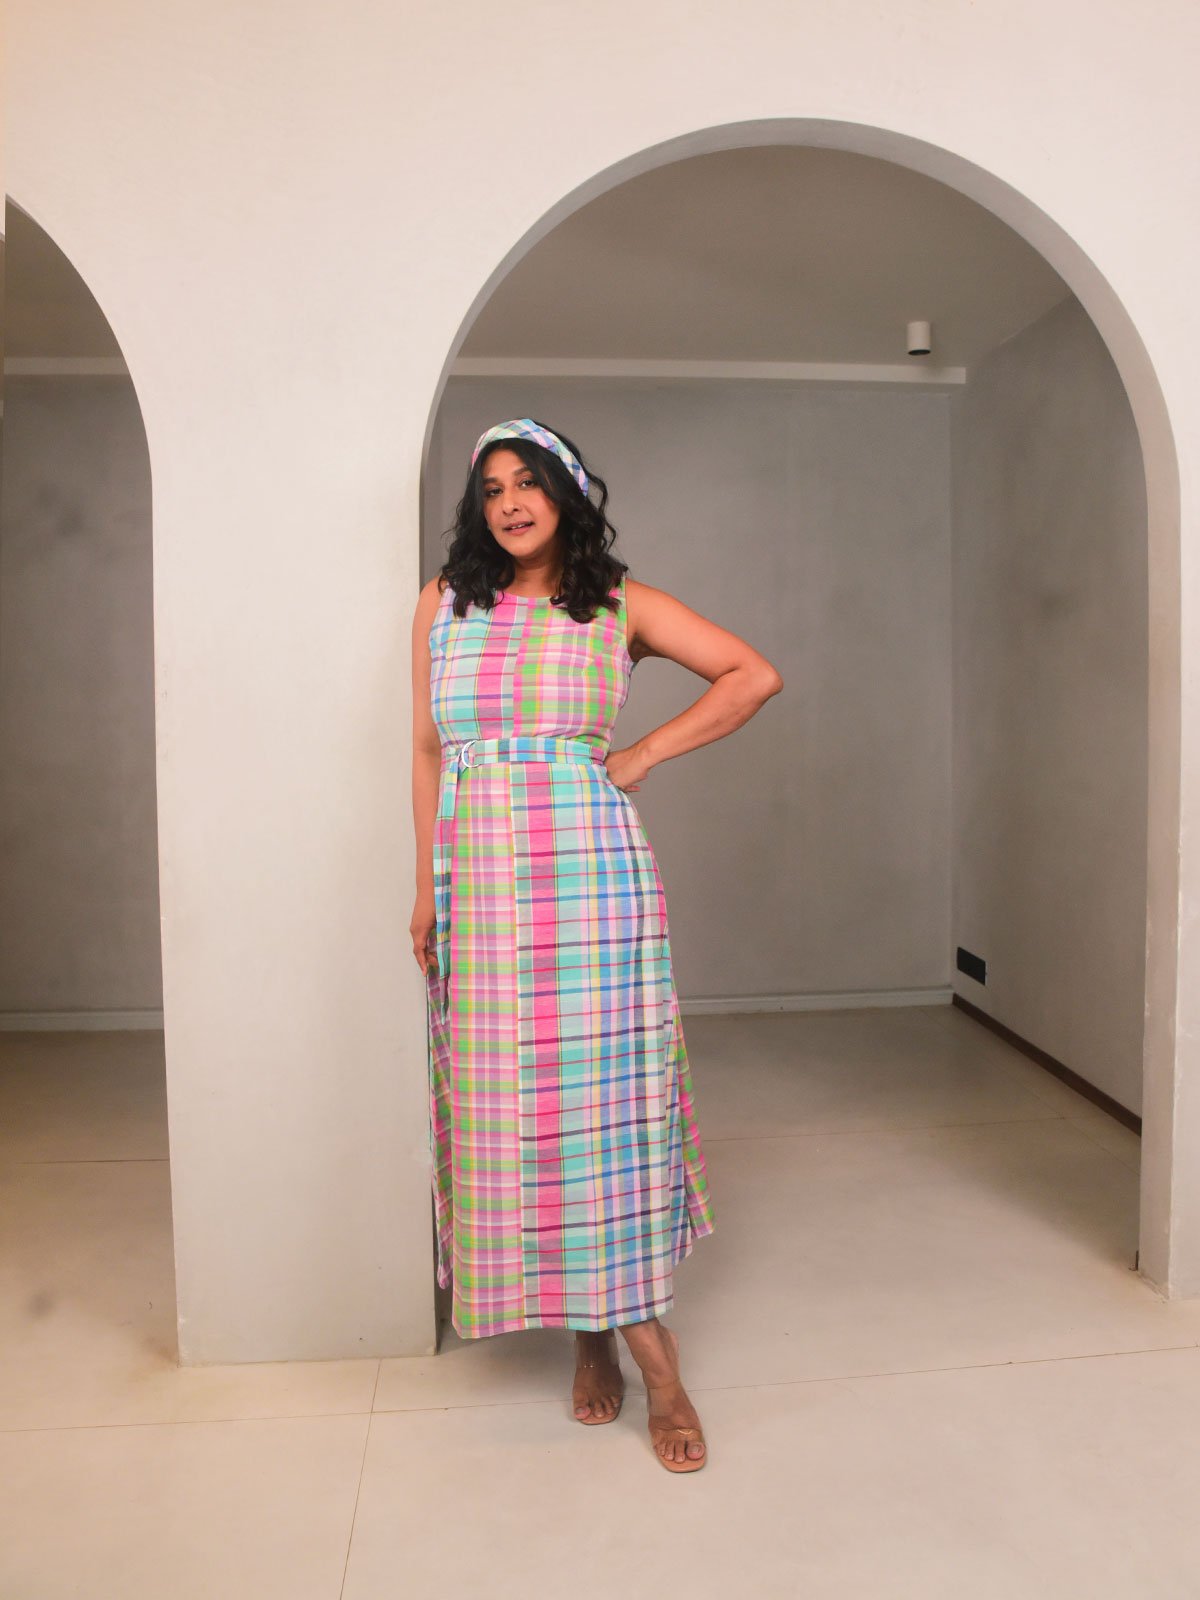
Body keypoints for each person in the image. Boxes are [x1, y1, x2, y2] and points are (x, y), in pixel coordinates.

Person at [410, 418, 784, 1473]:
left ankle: (655, 1363)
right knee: (513, 1113)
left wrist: (645, 752)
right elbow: (427, 749)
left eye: (528, 482)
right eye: (491, 489)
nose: (509, 502)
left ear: (567, 493)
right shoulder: (443, 604)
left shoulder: (619, 605)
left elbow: (751, 674)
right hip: (480, 888)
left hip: (591, 889)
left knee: (601, 1114)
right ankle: (587, 1333)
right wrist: (427, 887)